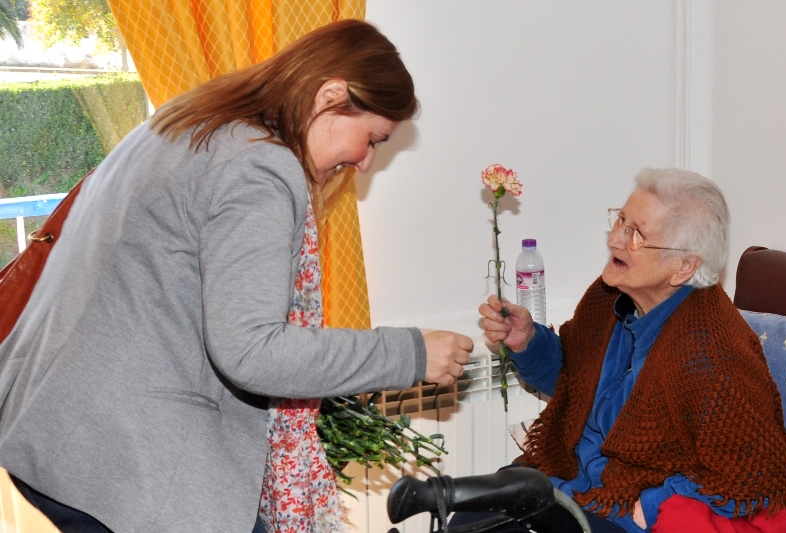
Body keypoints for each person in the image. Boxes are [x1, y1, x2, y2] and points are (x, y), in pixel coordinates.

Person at [0, 19, 473, 533]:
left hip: (62, 437)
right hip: (126, 463)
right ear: (332, 96)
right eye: (372, 138)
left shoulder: (188, 123)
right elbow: (253, 352)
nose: (364, 162)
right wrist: (413, 352)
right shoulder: (259, 167)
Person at [479, 168, 786, 532]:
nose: (615, 239)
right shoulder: (607, 297)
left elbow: (758, 474)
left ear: (683, 267)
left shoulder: (714, 355)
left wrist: (655, 501)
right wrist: (530, 342)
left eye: (636, 235)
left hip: (618, 508)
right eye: (620, 220)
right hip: (566, 474)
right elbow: (573, 381)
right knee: (469, 516)